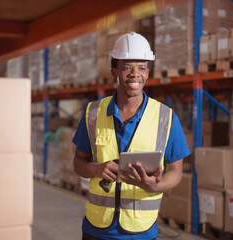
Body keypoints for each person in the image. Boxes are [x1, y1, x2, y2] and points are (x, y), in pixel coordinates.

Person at [73, 32, 190, 240]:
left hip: (141, 232)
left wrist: (157, 186)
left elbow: (177, 170)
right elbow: (78, 162)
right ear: (114, 71)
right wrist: (95, 168)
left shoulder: (166, 117)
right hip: (96, 229)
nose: (135, 74)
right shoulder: (93, 113)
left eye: (142, 68)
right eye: (127, 67)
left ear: (147, 73)